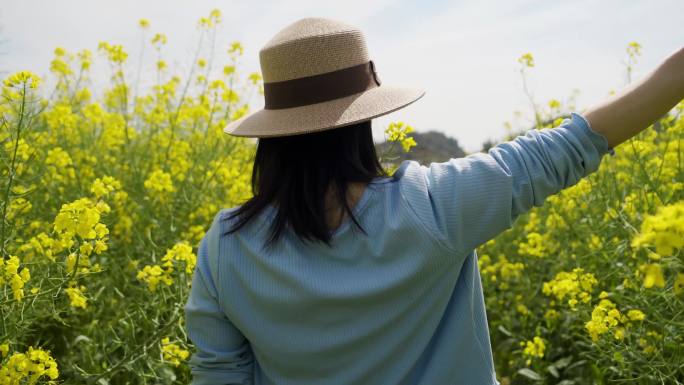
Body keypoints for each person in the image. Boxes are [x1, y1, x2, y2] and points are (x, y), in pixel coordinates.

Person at [183, 16, 684, 385]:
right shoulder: (431, 207)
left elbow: (220, 375)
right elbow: (568, 145)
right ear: (362, 120)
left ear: (274, 132)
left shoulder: (226, 247)